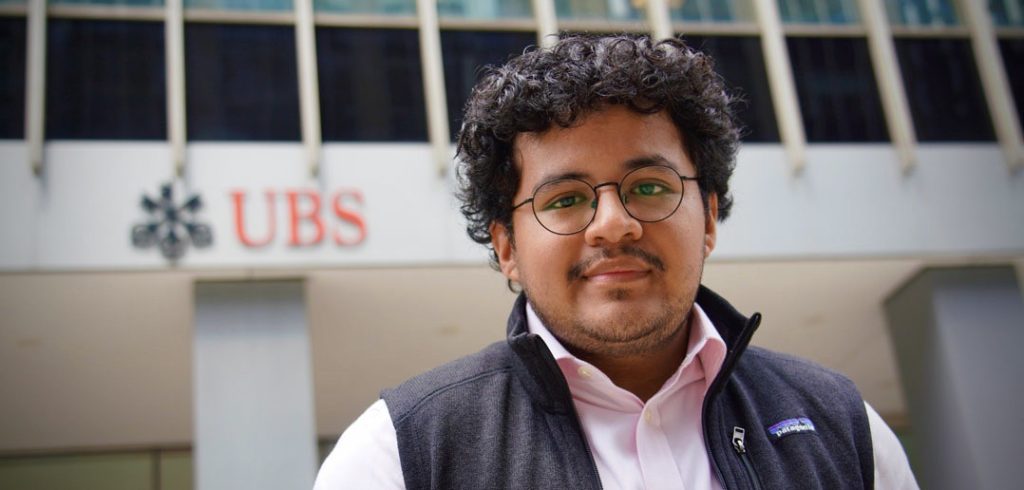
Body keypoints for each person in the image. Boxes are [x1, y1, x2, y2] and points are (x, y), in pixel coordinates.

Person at [315, 34, 918, 489]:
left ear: (707, 218)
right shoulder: (400, 452)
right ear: (507, 249)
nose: (612, 224)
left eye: (650, 187)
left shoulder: (843, 427)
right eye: (566, 199)